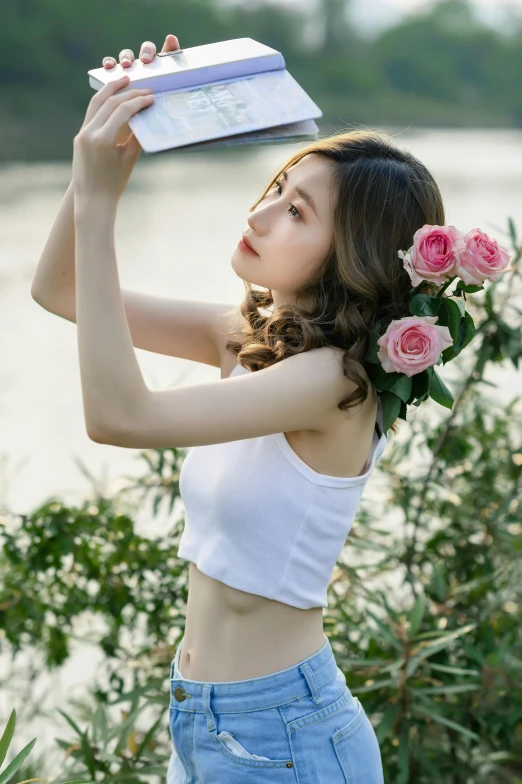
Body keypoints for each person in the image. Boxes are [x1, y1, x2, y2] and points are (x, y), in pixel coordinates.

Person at [32, 33, 446, 784]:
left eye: (297, 212)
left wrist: (102, 206)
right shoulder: (248, 339)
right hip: (203, 720)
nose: (259, 215)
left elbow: (121, 418)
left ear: (352, 252)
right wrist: (99, 156)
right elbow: (59, 291)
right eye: (275, 190)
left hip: (285, 736)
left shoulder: (334, 382)